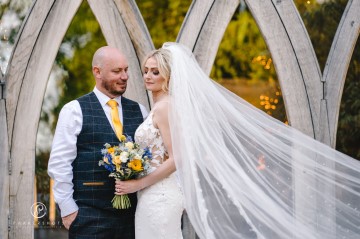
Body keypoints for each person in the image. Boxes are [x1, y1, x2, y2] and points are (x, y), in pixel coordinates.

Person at [115, 42, 360, 239]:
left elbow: (178, 157)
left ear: (168, 75)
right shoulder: (162, 105)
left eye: (155, 72)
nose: (148, 76)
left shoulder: (164, 108)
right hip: (154, 192)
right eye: (146, 70)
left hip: (160, 194)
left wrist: (139, 183)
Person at [48, 46, 148, 239]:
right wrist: (69, 210)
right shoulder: (74, 111)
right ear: (97, 72)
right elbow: (59, 164)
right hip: (88, 216)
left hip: (133, 219)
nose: (125, 76)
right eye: (117, 71)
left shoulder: (141, 111)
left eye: (126, 70)